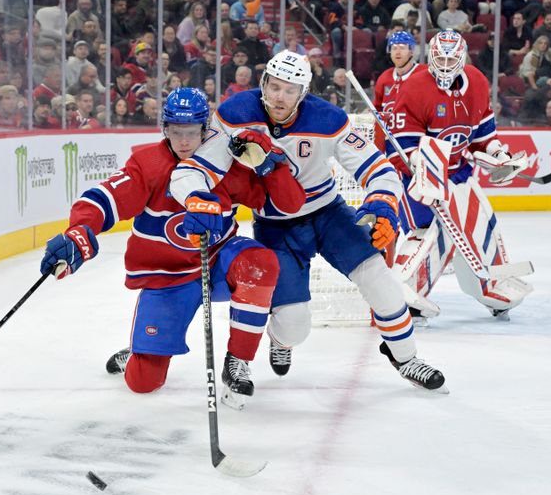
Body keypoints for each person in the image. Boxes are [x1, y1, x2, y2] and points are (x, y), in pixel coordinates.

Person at [170, 50, 447, 392]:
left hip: (329, 213)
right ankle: (278, 341)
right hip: (276, 225)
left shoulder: (327, 119)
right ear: (263, 83)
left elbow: (378, 167)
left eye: (289, 90)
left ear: (303, 93)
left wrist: (383, 202)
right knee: (294, 327)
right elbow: (195, 168)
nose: (279, 97)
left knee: (380, 280)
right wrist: (196, 199)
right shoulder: (234, 114)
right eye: (273, 87)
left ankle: (405, 357)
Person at [41, 88, 305, 409]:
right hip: (167, 278)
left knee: (260, 263)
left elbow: (288, 205)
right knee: (143, 383)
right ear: (164, 128)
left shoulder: (226, 163)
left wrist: (270, 166)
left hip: (218, 262)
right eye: (175, 131)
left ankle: (237, 361)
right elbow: (103, 198)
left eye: (191, 132)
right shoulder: (148, 164)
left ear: (205, 129)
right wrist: (80, 230)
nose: (183, 141)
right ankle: (140, 352)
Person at [386, 30, 533, 324]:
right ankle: (403, 292)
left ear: (462, 58)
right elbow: (401, 144)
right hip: (414, 176)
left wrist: (498, 154)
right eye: (439, 57)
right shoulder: (414, 86)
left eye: (450, 58)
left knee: (483, 222)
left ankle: (492, 285)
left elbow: (482, 136)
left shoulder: (477, 81)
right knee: (431, 231)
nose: (443, 64)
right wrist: (420, 162)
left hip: (457, 172)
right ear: (430, 56)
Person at [373, 31, 422, 152]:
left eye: (402, 48)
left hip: (416, 140)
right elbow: (377, 109)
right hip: (389, 141)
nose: (397, 52)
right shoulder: (384, 77)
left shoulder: (423, 74)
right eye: (394, 48)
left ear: (411, 51)